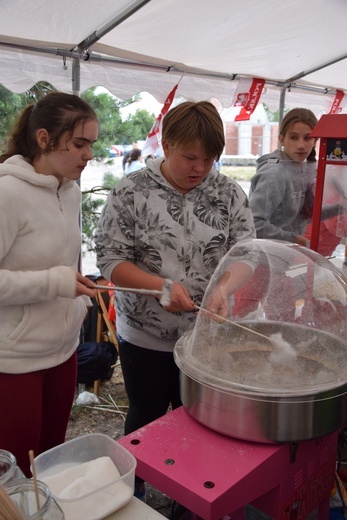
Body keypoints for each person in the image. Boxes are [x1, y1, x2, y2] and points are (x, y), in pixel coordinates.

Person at [94, 100, 255, 500]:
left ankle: (191, 501)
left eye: (209, 159)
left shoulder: (228, 193)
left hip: (206, 337)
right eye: (189, 157)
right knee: (146, 417)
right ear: (166, 144)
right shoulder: (131, 191)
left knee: (200, 423)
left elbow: (247, 253)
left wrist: (223, 288)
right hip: (146, 335)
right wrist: (157, 285)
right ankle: (132, 497)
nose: (199, 168)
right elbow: (110, 258)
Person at [0, 91, 99, 476]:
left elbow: (64, 262)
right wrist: (54, 283)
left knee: (48, 466)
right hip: (15, 363)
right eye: (79, 144)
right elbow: (54, 277)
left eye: (91, 144)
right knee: (16, 478)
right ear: (44, 139)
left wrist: (77, 299)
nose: (88, 154)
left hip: (64, 354)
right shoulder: (8, 194)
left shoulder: (69, 190)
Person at [249, 107, 342, 246]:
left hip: (287, 253)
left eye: (307, 138)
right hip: (267, 255)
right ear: (282, 139)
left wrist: (341, 207)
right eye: (294, 137)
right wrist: (293, 238)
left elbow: (305, 216)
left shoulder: (300, 168)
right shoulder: (274, 173)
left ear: (315, 141)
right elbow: (254, 223)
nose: (301, 145)